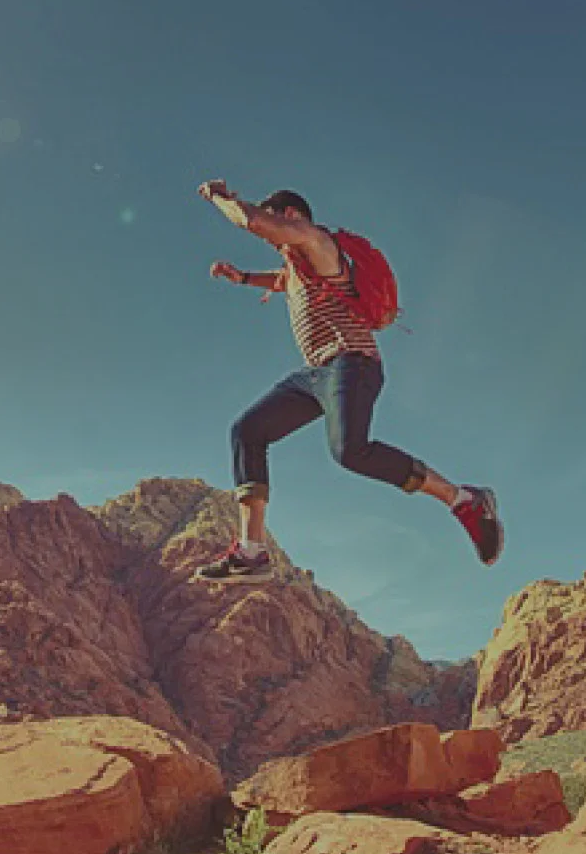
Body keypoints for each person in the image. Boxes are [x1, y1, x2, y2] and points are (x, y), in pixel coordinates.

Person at [194, 179, 503, 582]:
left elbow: (251, 221)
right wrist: (242, 278)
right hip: (315, 374)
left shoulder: (316, 240)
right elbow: (281, 280)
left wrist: (222, 197)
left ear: (290, 216)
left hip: (351, 363)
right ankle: (252, 553)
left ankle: (464, 500)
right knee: (248, 430)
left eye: (277, 221)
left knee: (350, 451)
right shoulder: (297, 267)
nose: (274, 238)